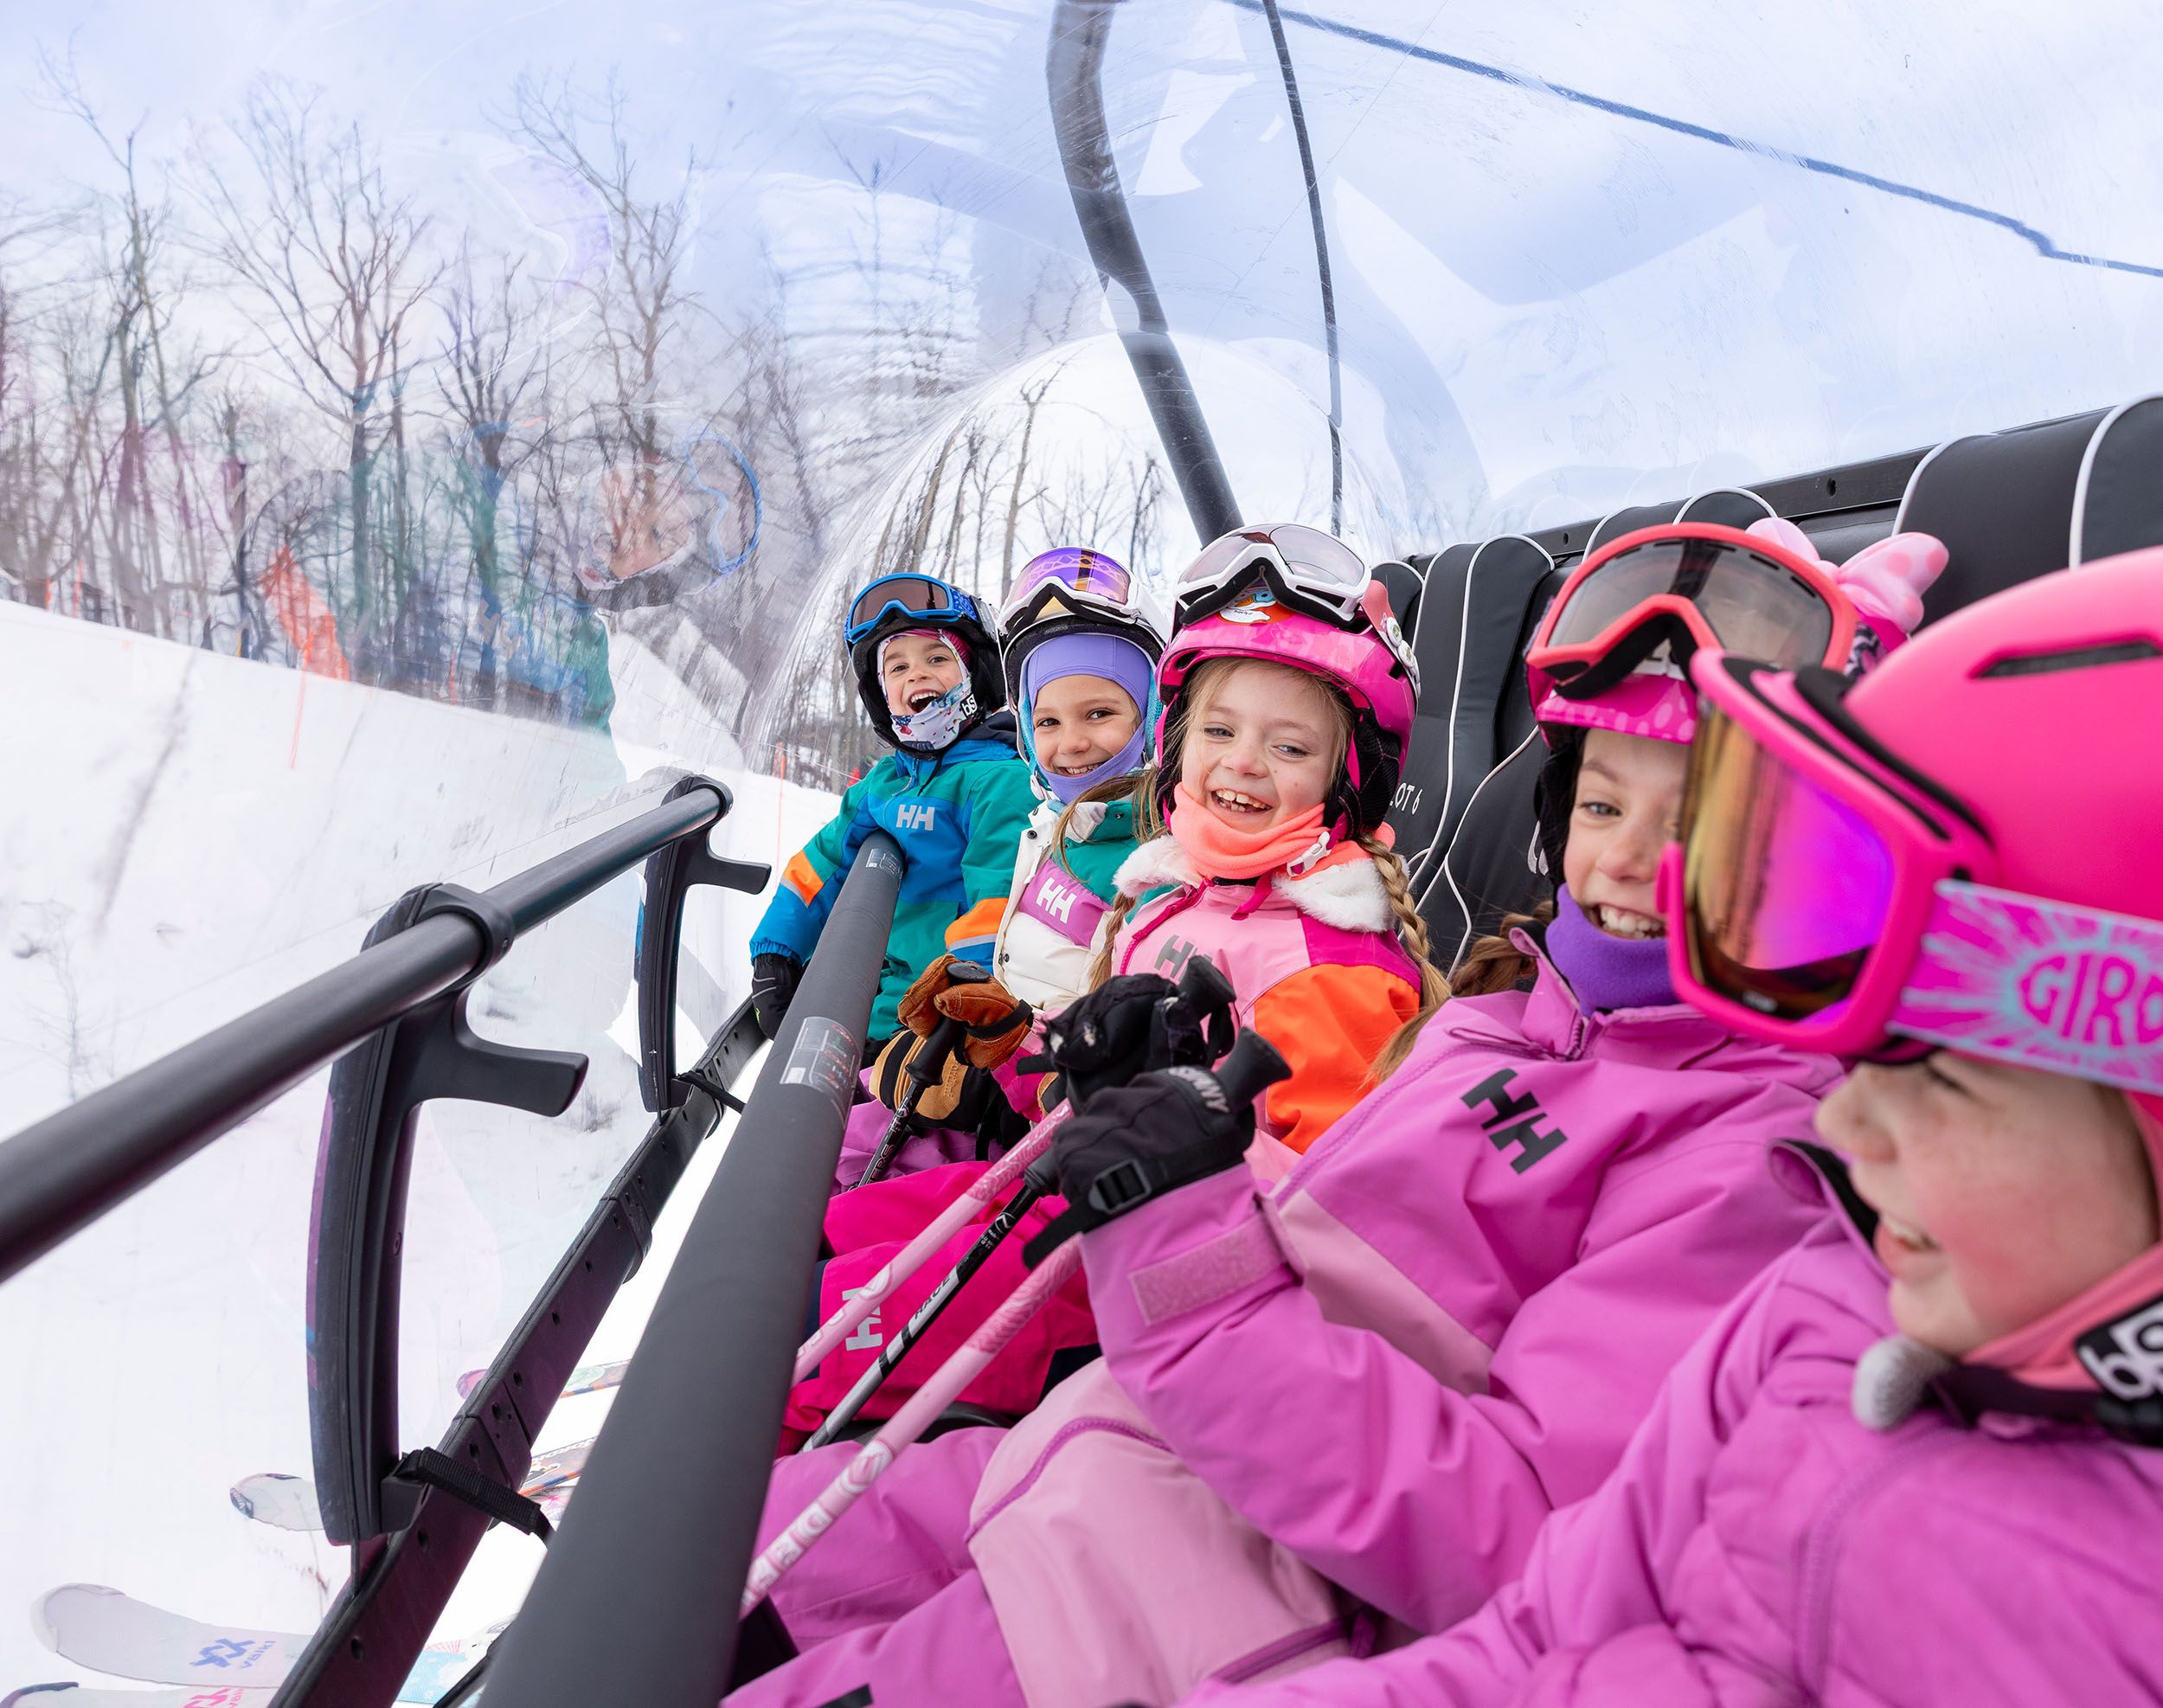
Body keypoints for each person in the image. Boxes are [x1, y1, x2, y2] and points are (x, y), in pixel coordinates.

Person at [728, 522, 1925, 1708]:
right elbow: (1290, 1231)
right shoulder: (1497, 1023)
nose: (1620, 866)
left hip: (1226, 1584)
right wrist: (1143, 1109)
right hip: (1105, 1446)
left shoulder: (1743, 1159)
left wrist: (1176, 1209)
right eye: (1604, 809)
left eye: (1699, 827)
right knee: (694, 1545)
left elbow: (1507, 1525)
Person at [1195, 542, 2163, 1707]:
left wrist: (1176, 1252)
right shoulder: (1814, 1309)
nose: (1843, 1120)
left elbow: (1501, 1527)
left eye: (1939, 1077)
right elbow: (1538, 1634)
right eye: (1602, 805)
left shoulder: (1765, 1182)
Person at [787, 527, 1436, 1433]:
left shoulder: (1332, 975)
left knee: (804, 1341)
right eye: (1217, 730)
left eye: (1288, 748)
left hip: (1118, 1288)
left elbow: (1317, 1231)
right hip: (1055, 1199)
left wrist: (1165, 1171)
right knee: (800, 1253)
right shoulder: (1169, 898)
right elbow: (1098, 1075)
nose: (1241, 762)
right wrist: (1006, 1064)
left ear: (1348, 777)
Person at [746, 571, 1037, 1060]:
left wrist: (963, 1007)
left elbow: (998, 898)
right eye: (896, 668)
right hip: (861, 1003)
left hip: (931, 1024)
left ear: (976, 674)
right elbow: (823, 865)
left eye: (937, 659)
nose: (915, 675)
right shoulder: (882, 783)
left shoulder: (996, 781)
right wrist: (778, 949)